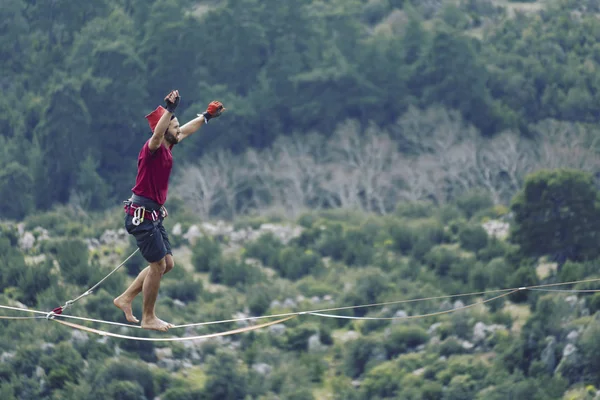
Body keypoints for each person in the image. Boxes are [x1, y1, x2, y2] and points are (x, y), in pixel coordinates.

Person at [114, 90, 225, 331]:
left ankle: (125, 298)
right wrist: (169, 110)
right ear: (163, 130)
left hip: (152, 217)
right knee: (158, 266)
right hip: (141, 218)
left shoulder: (169, 144)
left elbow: (186, 130)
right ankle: (148, 317)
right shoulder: (152, 148)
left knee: (167, 264)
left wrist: (207, 115)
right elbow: (157, 134)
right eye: (173, 126)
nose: (178, 130)